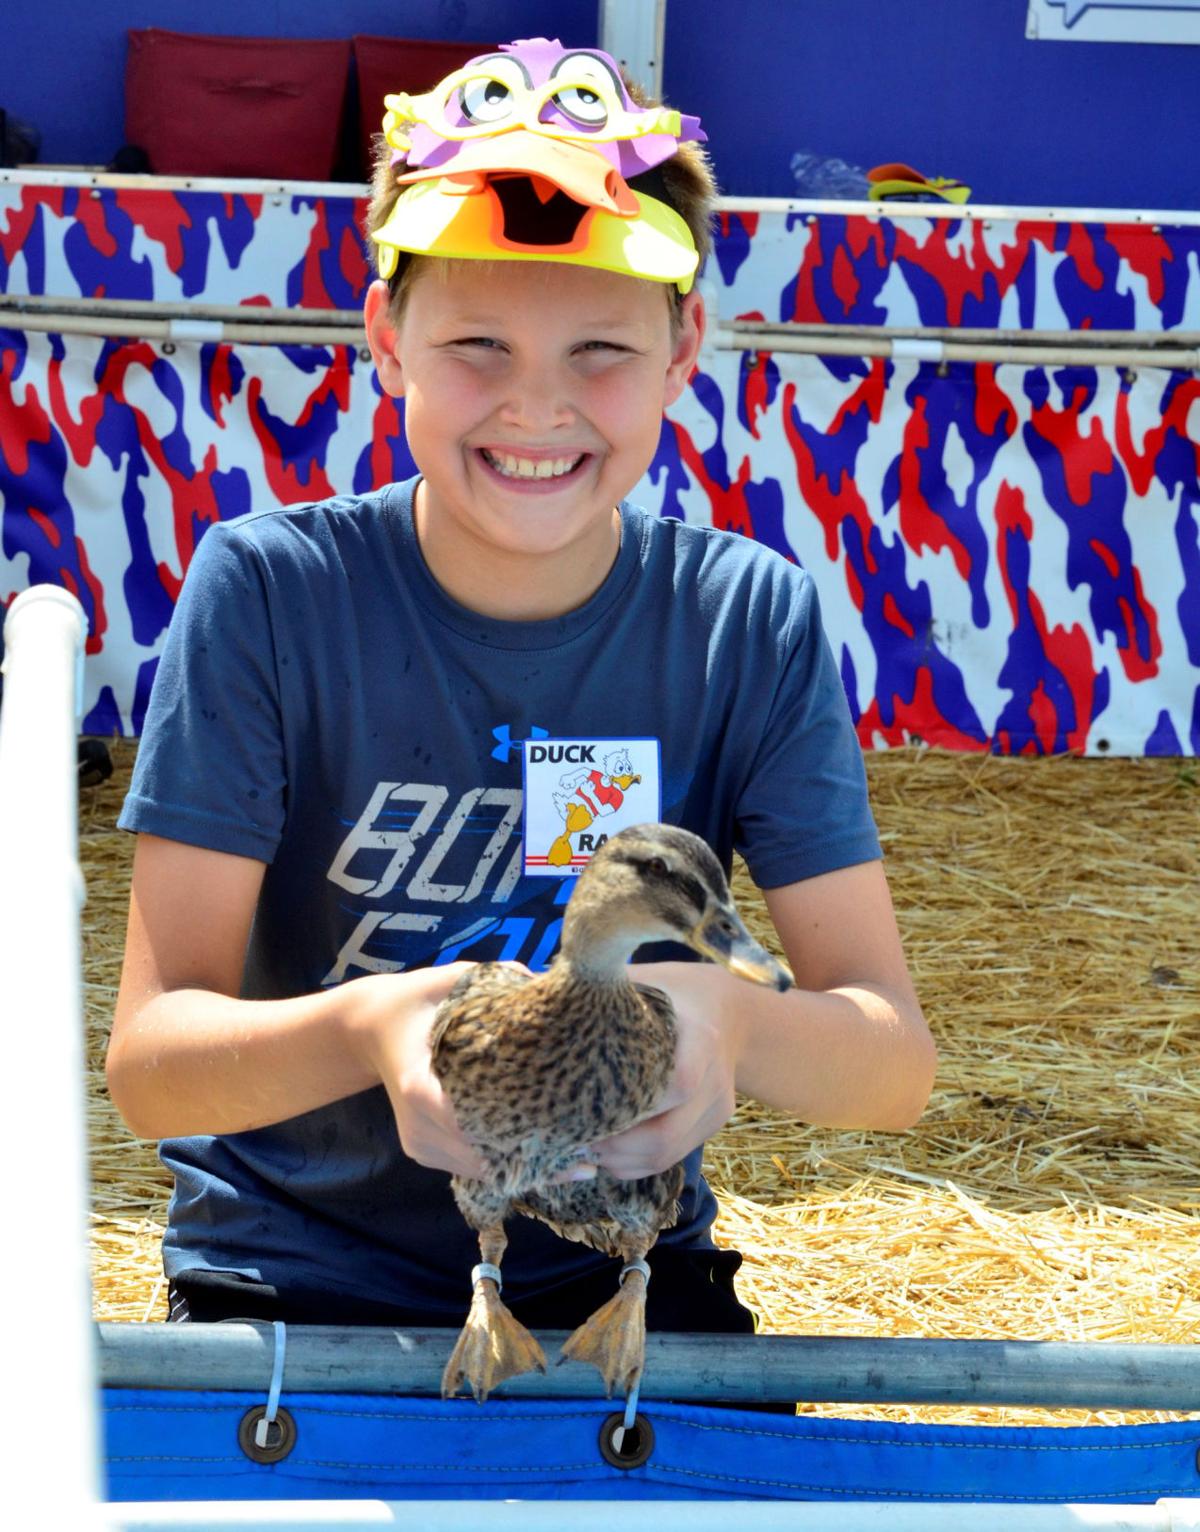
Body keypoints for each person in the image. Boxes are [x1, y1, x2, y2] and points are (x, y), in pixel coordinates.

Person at [107, 39, 936, 1335]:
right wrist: (375, 1033)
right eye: (477, 344)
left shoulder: (743, 619)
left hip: (619, 1275)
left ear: (684, 348)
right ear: (388, 339)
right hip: (293, 1279)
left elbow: (891, 1068)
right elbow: (153, 1071)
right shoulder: (269, 592)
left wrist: (727, 1024)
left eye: (598, 347)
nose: (536, 408)